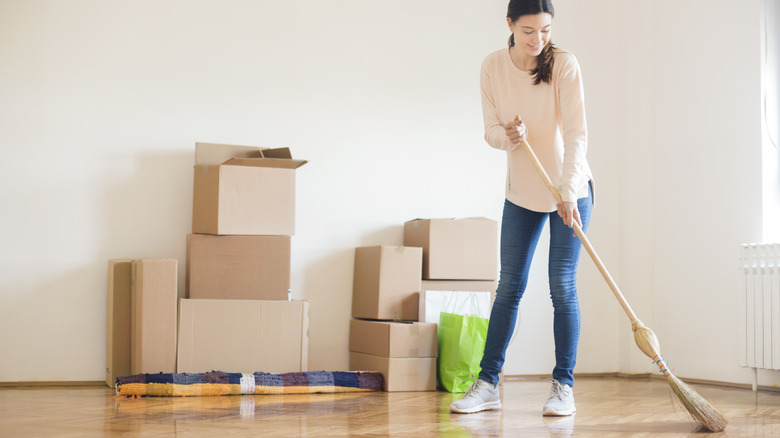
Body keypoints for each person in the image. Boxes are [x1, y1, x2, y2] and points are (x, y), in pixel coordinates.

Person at [449, 0, 594, 416]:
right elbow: (490, 131)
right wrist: (509, 136)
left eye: (545, 30)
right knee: (509, 288)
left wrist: (568, 191)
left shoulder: (564, 65)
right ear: (510, 24)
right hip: (523, 192)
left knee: (562, 289)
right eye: (529, 31)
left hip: (571, 190)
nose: (538, 40)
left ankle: (563, 386)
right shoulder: (493, 66)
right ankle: (488, 384)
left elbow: (577, 133)